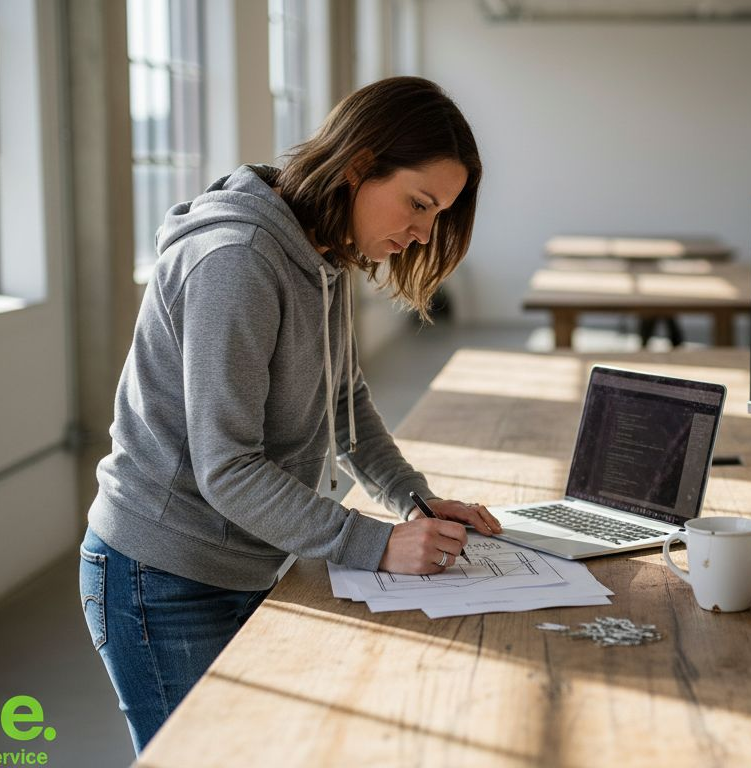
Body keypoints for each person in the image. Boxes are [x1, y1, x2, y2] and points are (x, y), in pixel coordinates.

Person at [77, 76, 497, 755]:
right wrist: (377, 544)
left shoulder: (320, 251)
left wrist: (416, 503)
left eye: (438, 214)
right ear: (361, 165)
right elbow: (228, 468)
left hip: (238, 561)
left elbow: (344, 404)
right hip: (162, 576)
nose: (424, 232)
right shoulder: (240, 260)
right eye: (419, 204)